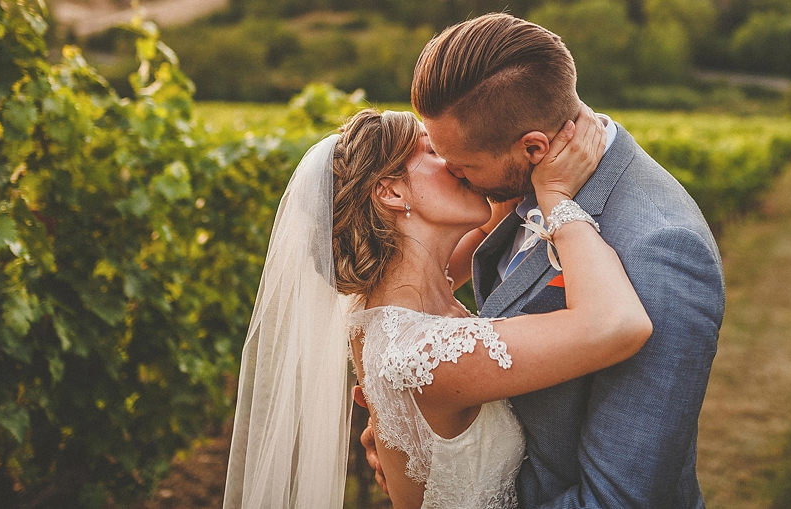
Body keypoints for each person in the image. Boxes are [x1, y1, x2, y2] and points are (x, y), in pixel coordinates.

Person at [362, 12, 726, 508]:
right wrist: (420, 451)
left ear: (533, 147)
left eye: (462, 166)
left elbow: (620, 498)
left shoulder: (660, 248)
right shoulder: (521, 186)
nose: (455, 176)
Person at [222, 107, 652, 509]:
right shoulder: (422, 353)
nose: (454, 162)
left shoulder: (393, 302)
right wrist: (558, 200)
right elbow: (618, 325)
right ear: (390, 191)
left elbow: (493, 211)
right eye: (433, 150)